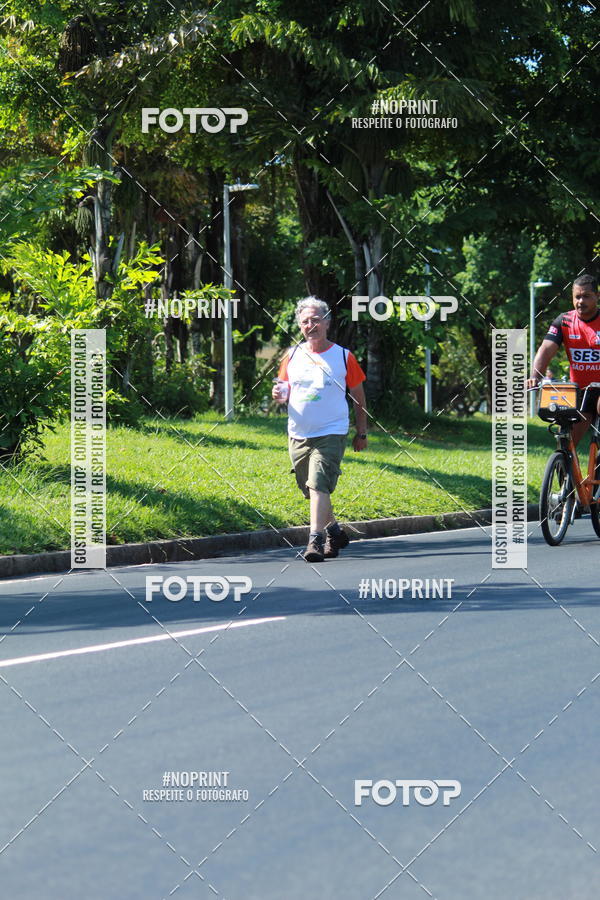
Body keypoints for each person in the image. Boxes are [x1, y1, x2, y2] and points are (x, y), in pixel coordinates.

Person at [272, 296, 368, 562]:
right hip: (298, 433)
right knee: (311, 489)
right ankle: (335, 531)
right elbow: (282, 390)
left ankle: (315, 541)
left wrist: (361, 432)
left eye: (316, 320)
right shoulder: (291, 356)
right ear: (300, 326)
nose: (310, 325)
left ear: (327, 322)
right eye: (305, 321)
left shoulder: (343, 356)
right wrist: (278, 395)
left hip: (331, 432)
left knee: (318, 484)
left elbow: (359, 397)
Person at [528, 274, 600, 445]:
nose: (580, 301)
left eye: (586, 296)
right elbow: (545, 350)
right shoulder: (564, 321)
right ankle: (563, 469)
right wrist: (535, 376)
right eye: (577, 297)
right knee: (566, 444)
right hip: (579, 391)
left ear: (597, 296)